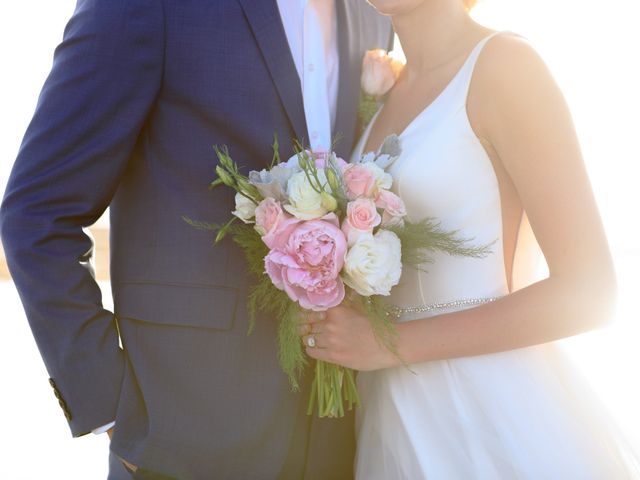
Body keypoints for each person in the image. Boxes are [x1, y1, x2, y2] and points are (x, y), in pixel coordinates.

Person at [0, 1, 391, 478]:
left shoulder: (377, 13)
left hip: (338, 433)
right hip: (183, 432)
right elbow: (38, 213)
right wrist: (111, 408)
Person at [299, 0, 640, 478]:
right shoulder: (387, 92)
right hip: (392, 423)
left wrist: (387, 344)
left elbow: (590, 293)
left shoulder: (504, 66)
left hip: (490, 419)